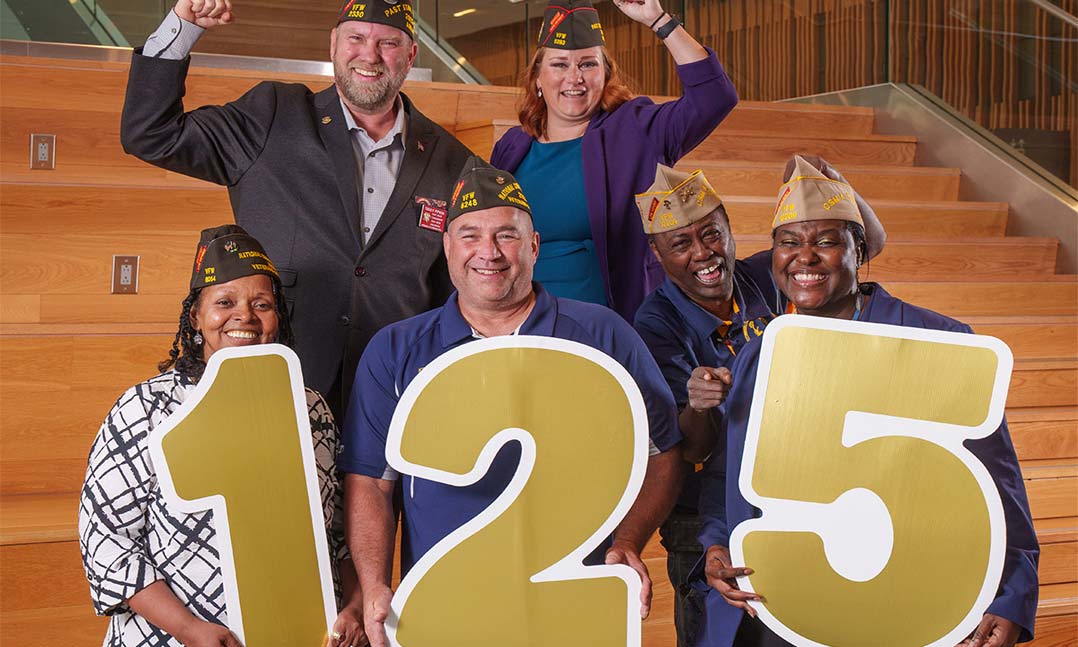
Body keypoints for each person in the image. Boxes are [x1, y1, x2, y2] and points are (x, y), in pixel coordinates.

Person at [339, 157, 684, 647]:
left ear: (534, 246)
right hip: (445, 609)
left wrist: (628, 541)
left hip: (570, 604)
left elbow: (663, 452)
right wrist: (373, 584)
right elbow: (372, 483)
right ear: (447, 247)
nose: (489, 252)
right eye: (470, 235)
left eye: (506, 235)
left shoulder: (603, 334)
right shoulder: (395, 350)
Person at [697, 157, 1040, 646]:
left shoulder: (936, 339)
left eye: (827, 242)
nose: (804, 257)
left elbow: (997, 483)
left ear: (860, 250)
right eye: (789, 242)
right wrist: (715, 542)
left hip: (901, 592)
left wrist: (1009, 595)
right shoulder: (761, 352)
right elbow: (726, 472)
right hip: (783, 599)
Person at [120, 0, 474, 416]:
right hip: (278, 386)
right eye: (356, 38)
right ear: (333, 45)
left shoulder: (455, 162)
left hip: (397, 396)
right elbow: (151, 134)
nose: (370, 55)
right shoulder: (273, 115)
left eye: (389, 43)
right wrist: (182, 27)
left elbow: (454, 291)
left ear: (411, 55)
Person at [632, 161, 887, 647]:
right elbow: (691, 449)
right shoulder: (655, 322)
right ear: (657, 253)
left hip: (784, 488)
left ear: (729, 227)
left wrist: (833, 187)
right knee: (714, 629)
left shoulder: (759, 274)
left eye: (712, 235)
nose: (704, 253)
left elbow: (863, 247)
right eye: (681, 244)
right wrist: (699, 405)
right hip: (702, 511)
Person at [78, 225, 364, 647]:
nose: (244, 316)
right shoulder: (147, 409)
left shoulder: (312, 409)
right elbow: (106, 542)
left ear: (277, 317)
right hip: (172, 638)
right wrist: (188, 630)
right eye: (224, 302)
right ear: (196, 316)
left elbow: (339, 535)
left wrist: (353, 607)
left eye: (261, 303)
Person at [490, 0, 738, 320]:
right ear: (537, 77)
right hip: (520, 325)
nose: (574, 77)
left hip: (612, 328)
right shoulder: (512, 145)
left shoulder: (636, 128)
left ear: (606, 73)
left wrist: (658, 20)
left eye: (588, 64)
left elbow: (715, 98)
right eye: (560, 64)